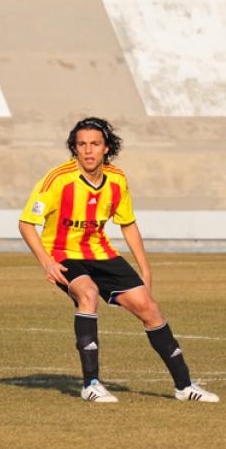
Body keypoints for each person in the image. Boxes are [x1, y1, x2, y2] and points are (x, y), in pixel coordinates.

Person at [18, 117, 218, 404]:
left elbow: (128, 224)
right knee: (87, 293)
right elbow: (26, 223)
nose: (88, 151)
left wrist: (145, 267)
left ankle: (184, 386)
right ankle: (91, 384)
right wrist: (47, 263)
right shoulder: (57, 179)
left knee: (149, 308)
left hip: (102, 254)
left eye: (95, 144)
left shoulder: (117, 179)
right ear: (74, 149)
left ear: (106, 148)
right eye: (82, 145)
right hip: (64, 254)